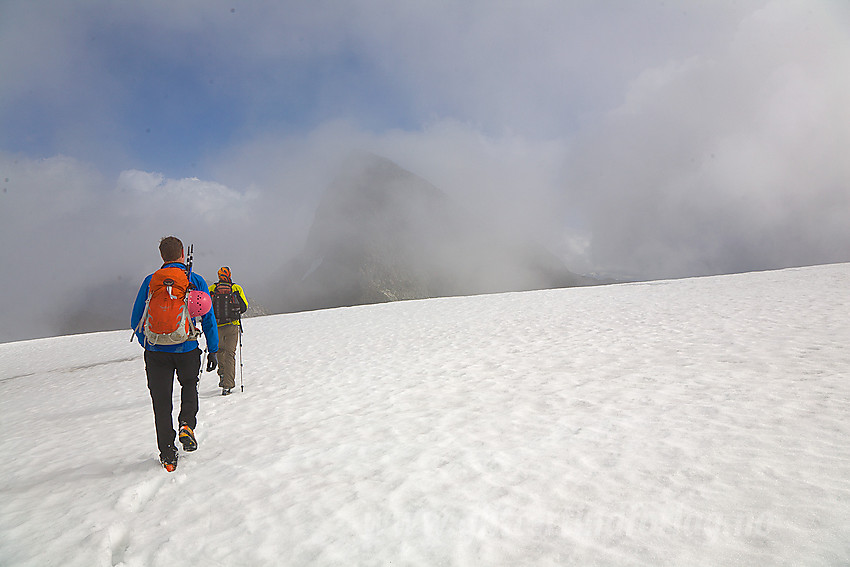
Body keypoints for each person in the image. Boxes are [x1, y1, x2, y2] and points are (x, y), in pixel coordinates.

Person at [131, 236, 219, 472]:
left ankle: (168, 455)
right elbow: (208, 318)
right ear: (182, 253)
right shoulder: (194, 280)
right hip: (187, 347)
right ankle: (186, 424)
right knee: (189, 386)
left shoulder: (151, 281)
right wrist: (213, 350)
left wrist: (150, 343)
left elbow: (135, 319)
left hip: (156, 352)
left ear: (162, 256)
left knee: (161, 403)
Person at [209, 266, 248, 395]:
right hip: (232, 326)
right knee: (230, 354)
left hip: (217, 326)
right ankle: (228, 385)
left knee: (220, 351)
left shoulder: (212, 289)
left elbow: (207, 307)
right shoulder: (236, 288)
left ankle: (222, 375)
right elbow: (244, 307)